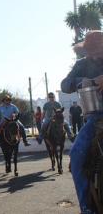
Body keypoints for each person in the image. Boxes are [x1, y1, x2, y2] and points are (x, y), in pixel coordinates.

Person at [61, 30, 103, 214]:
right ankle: (86, 207)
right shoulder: (81, 65)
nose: (95, 53)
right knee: (77, 156)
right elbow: (65, 84)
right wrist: (82, 81)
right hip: (95, 117)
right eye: (92, 49)